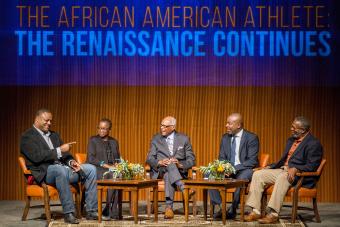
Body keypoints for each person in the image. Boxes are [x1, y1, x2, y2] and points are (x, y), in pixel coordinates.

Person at [20, 108, 98, 224]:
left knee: (91, 169)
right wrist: (59, 150)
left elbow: (65, 154)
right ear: (37, 119)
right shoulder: (27, 136)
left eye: (50, 121)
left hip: (64, 170)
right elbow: (36, 157)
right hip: (46, 172)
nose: (49, 123)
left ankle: (91, 211)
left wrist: (72, 163)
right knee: (59, 169)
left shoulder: (54, 135)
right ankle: (69, 213)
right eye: (46, 121)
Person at [244, 116, 323, 224]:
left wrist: (296, 168)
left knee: (283, 177)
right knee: (258, 174)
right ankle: (256, 211)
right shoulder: (291, 140)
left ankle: (273, 214)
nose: (291, 129)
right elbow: (284, 160)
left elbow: (313, 165)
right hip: (283, 170)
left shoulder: (314, 143)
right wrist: (269, 167)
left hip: (299, 175)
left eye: (294, 127)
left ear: (303, 130)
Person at [209, 113, 259, 219]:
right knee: (210, 174)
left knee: (241, 179)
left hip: (244, 169)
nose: (226, 126)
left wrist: (234, 169)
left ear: (238, 125)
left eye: (229, 124)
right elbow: (222, 157)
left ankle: (233, 209)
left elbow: (252, 161)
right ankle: (221, 207)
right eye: (227, 123)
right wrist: (223, 168)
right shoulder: (225, 138)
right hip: (228, 169)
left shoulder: (251, 138)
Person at [146, 116, 196, 219]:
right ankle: (183, 188)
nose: (162, 128)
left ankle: (169, 208)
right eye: (161, 125)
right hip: (160, 170)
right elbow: (149, 158)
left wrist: (180, 164)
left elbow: (192, 160)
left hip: (178, 171)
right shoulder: (156, 139)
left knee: (169, 172)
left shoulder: (184, 139)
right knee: (169, 164)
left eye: (165, 126)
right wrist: (159, 162)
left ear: (173, 127)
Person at [87, 118, 121, 220]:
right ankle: (109, 209)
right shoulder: (93, 140)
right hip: (97, 169)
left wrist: (118, 164)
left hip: (112, 169)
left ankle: (111, 209)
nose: (101, 130)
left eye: (104, 129)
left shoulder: (114, 141)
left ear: (109, 129)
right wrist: (107, 166)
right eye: (100, 128)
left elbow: (117, 158)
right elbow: (91, 158)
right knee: (113, 175)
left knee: (119, 175)